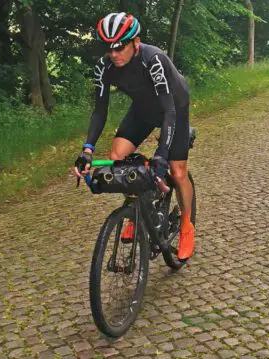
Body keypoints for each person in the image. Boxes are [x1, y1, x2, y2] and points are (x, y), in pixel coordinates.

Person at [73, 12, 195, 260]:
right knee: (118, 157)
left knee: (177, 170)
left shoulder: (154, 60)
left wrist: (162, 153)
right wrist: (87, 150)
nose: (114, 54)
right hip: (142, 110)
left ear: (135, 42)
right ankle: (136, 208)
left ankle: (186, 226)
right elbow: (100, 111)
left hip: (174, 109)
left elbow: (169, 110)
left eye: (119, 47)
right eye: (109, 48)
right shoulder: (104, 66)